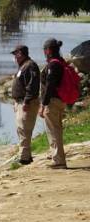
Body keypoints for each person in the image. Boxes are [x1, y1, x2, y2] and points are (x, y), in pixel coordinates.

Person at [38, 38, 67, 169]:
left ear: (48, 50)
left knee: (53, 131)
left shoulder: (53, 65)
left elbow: (50, 85)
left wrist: (43, 105)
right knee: (56, 130)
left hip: (53, 102)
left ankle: (58, 160)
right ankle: (57, 157)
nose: (44, 52)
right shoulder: (61, 62)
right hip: (60, 100)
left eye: (44, 50)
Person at [10, 45, 41, 165]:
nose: (14, 58)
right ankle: (26, 156)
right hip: (20, 102)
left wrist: (27, 101)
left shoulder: (30, 65)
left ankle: (24, 158)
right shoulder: (23, 66)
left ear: (21, 54)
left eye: (16, 54)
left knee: (24, 129)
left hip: (26, 103)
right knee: (21, 129)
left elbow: (32, 86)